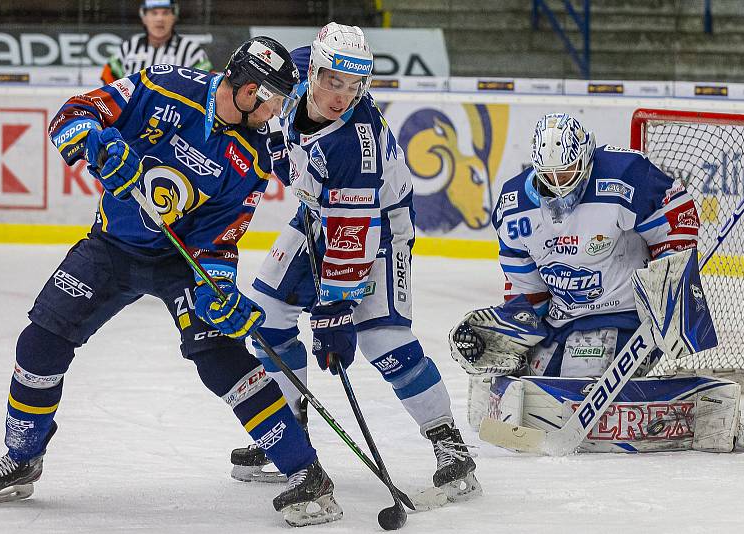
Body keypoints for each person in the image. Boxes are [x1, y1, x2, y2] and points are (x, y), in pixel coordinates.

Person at [0, 37, 343, 527]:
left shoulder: (255, 157)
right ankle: (23, 455)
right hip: (111, 247)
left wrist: (218, 291)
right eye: (273, 99)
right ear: (245, 89)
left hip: (180, 264)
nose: (278, 112)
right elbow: (73, 114)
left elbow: (219, 241)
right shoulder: (163, 86)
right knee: (39, 343)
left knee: (222, 362)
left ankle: (306, 473)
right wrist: (96, 142)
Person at [218, 22, 481, 503]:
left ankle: (449, 444)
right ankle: (288, 430)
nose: (341, 96)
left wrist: (334, 315)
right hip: (319, 215)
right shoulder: (290, 71)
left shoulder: (355, 146)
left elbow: (352, 243)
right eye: (333, 81)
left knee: (381, 336)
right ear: (312, 69)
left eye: (354, 86)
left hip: (377, 226)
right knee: (267, 315)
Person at [450, 112, 702, 379]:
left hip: (623, 314)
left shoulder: (624, 175)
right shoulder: (514, 208)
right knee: (530, 381)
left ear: (585, 158)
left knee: (577, 383)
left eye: (567, 172)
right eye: (550, 175)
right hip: (560, 319)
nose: (559, 184)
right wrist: (520, 322)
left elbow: (676, 215)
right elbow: (526, 285)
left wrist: (670, 288)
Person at [100, 0, 212, 84]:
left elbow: (211, 87)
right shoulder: (128, 47)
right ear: (144, 18)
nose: (160, 19)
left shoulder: (192, 51)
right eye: (154, 13)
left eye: (166, 13)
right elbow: (107, 79)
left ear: (174, 17)